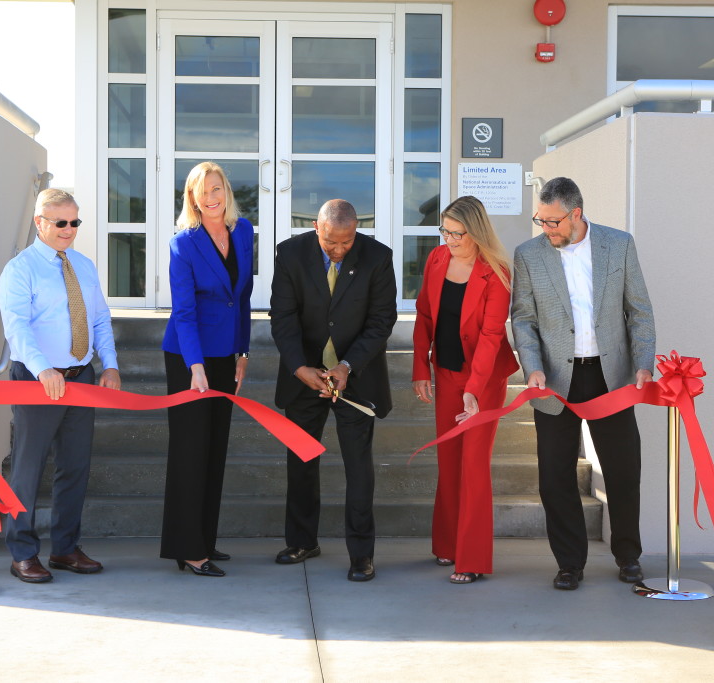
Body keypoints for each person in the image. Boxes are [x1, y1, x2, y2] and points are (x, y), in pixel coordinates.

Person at [510, 177, 655, 591]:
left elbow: (640, 311)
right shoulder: (528, 255)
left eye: (553, 222)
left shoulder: (619, 244)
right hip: (554, 379)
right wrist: (532, 367)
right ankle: (570, 563)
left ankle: (628, 556)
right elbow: (523, 318)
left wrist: (644, 363)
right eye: (541, 220)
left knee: (624, 471)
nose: (546, 229)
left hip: (609, 376)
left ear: (576, 214)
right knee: (554, 477)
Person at [269, 199, 396, 582]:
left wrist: (346, 366)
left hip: (355, 376)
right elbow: (283, 316)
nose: (339, 250)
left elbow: (381, 320)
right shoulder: (290, 253)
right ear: (315, 227)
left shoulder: (378, 257)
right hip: (305, 374)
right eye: (331, 244)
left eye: (347, 242)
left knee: (359, 468)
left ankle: (361, 555)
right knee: (302, 461)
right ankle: (302, 541)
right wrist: (298, 368)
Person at [0, 188, 121, 583]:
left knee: (75, 466)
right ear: (40, 223)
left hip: (81, 377)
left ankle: (66, 549)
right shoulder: (20, 269)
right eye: (61, 222)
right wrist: (42, 370)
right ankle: (22, 553)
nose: (70, 230)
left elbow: (100, 318)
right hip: (38, 381)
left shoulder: (83, 265)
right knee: (27, 468)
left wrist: (110, 365)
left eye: (75, 222)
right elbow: (16, 327)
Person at [412, 196, 519, 584]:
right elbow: (425, 314)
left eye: (458, 234)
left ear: (476, 233)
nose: (450, 240)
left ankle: (471, 559)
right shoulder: (438, 259)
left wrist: (474, 390)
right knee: (448, 460)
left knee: (473, 465)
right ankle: (447, 546)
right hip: (446, 372)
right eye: (445, 231)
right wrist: (420, 367)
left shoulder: (497, 271)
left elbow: (492, 336)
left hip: (485, 379)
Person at [161, 162, 253, 578]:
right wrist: (194, 365)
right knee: (191, 451)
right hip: (189, 355)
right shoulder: (183, 244)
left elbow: (244, 297)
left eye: (217, 188)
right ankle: (188, 549)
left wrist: (243, 351)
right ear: (192, 199)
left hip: (226, 353)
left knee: (215, 448)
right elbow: (184, 311)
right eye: (203, 191)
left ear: (227, 191)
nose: (212, 197)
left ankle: (206, 538)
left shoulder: (244, 231)